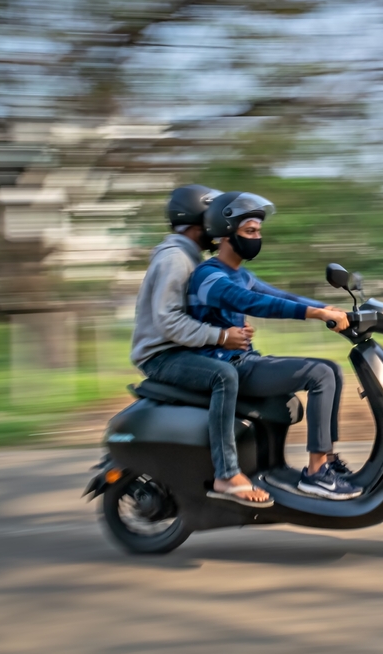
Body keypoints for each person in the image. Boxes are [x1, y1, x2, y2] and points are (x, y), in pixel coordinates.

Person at [186, 191, 362, 500]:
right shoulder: (208, 276)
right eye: (249, 231)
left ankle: (327, 461)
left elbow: (281, 297)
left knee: (331, 370)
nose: (256, 238)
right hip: (227, 367)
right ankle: (316, 473)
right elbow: (252, 302)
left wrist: (327, 309)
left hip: (244, 361)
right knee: (320, 373)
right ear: (226, 234)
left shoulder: (241, 275)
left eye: (258, 232)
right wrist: (315, 314)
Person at [131, 184, 272, 507]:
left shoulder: (192, 258)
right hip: (162, 355)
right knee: (224, 375)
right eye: (213, 220)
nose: (218, 228)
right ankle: (227, 473)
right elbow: (169, 322)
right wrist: (221, 337)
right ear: (198, 221)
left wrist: (233, 328)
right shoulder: (175, 260)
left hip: (182, 347)